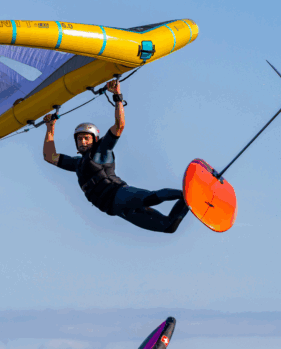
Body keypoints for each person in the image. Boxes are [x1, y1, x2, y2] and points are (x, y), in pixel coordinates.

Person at [42, 79, 190, 233]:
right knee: (168, 226)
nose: (83, 141)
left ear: (95, 140)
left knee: (150, 199)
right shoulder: (77, 164)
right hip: (116, 209)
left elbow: (119, 126)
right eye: (79, 138)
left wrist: (117, 96)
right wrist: (50, 127)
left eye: (87, 138)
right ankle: (188, 201)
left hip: (120, 194)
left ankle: (186, 195)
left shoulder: (100, 151)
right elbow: (49, 156)